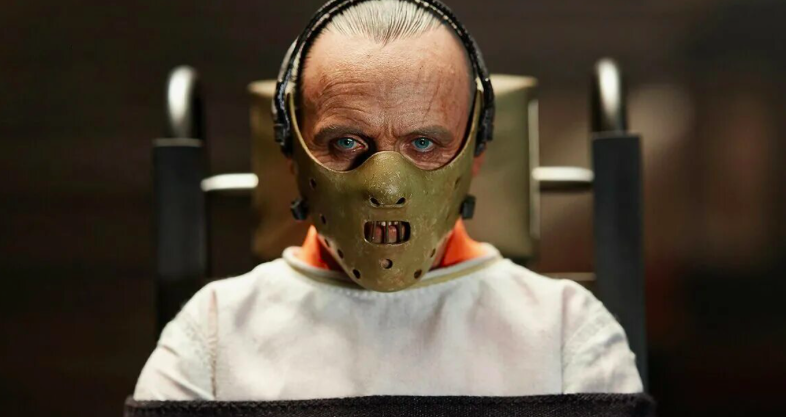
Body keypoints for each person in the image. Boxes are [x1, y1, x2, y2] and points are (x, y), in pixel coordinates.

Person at [134, 0, 642, 401]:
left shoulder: (565, 334)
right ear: (292, 150)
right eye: (346, 142)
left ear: (476, 150)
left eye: (423, 142)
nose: (388, 187)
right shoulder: (214, 338)